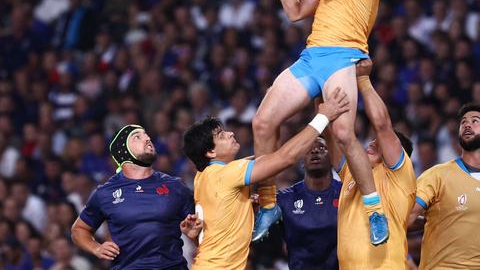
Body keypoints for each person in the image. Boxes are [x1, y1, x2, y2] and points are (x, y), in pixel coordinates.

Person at [250, 0, 400, 244]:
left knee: (344, 133)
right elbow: (295, 10)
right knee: (261, 123)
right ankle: (270, 204)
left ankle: (374, 209)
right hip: (312, 57)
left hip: (342, 57)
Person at [182, 88, 348, 270]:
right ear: (211, 152)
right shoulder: (228, 174)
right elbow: (285, 158)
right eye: (221, 135)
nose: (230, 134)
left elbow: (268, 156)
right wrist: (322, 117)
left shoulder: (202, 177)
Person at [324, 60, 416, 269]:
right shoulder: (351, 171)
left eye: (382, 143)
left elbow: (382, 125)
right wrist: (320, 87)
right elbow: (329, 133)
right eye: (373, 139)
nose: (373, 142)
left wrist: (363, 79)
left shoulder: (399, 175)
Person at [71, 124, 202, 269]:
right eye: (137, 137)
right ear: (123, 151)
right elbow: (79, 230)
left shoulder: (175, 186)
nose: (147, 138)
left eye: (146, 135)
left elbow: (204, 232)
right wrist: (96, 248)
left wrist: (195, 236)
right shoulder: (105, 192)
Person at [408, 103, 480, 269]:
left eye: (475, 121)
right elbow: (405, 219)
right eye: (463, 122)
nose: (467, 124)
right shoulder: (436, 175)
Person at [276, 137, 342, 270]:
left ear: (333, 159)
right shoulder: (285, 198)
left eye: (322, 148)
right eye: (308, 149)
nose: (315, 151)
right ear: (301, 162)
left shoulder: (346, 194)